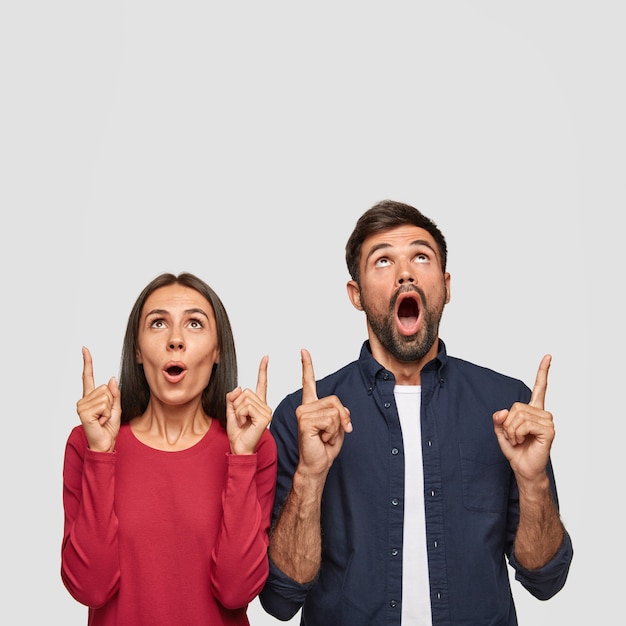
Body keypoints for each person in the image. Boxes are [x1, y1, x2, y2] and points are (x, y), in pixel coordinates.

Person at [259, 200, 573, 625]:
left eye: (420, 257)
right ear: (356, 294)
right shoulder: (304, 414)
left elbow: (546, 580)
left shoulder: (505, 405)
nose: (405, 272)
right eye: (383, 260)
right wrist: (310, 479)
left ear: (444, 286)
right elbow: (280, 599)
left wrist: (533, 480)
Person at [61, 272, 277, 626]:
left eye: (194, 324)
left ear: (218, 350)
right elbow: (90, 589)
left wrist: (241, 459)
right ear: (137, 350)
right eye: (158, 323)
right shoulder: (87, 442)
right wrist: (101, 455)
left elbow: (236, 591)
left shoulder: (255, 446)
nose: (175, 340)